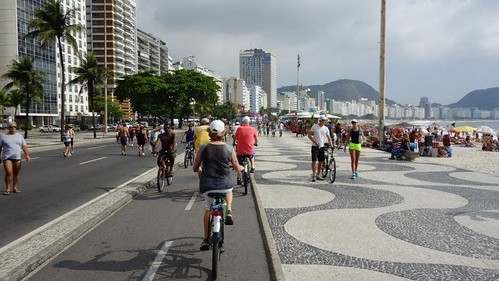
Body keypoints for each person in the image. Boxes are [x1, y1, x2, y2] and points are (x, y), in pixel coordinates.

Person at [192, 120, 243, 251]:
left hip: (208, 184)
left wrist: (201, 170)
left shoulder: (203, 148)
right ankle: (229, 209)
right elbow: (237, 167)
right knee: (229, 191)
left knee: (208, 208)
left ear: (209, 133)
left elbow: (195, 168)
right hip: (225, 184)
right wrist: (241, 168)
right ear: (223, 133)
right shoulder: (228, 148)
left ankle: (205, 239)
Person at [0, 122, 31, 195]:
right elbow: (0, 147)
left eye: (14, 127)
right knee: (8, 172)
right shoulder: (3, 136)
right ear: (8, 128)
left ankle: (15, 187)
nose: (13, 128)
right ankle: (8, 188)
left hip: (17, 158)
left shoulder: (19, 136)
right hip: (7, 158)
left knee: (16, 173)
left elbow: (24, 146)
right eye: (11, 127)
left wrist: (27, 155)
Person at [233, 116, 258, 185]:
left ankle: (238, 177)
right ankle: (253, 167)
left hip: (240, 151)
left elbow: (235, 137)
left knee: (238, 163)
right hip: (250, 150)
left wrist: (234, 142)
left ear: (243, 122)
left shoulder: (239, 129)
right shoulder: (253, 129)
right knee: (252, 155)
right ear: (249, 122)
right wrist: (255, 143)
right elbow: (256, 138)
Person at [307, 116, 333, 182]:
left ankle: (318, 174)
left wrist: (331, 145)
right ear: (320, 120)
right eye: (325, 120)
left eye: (326, 120)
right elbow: (309, 135)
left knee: (321, 161)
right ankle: (314, 175)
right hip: (315, 146)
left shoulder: (326, 128)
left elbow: (329, 137)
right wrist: (315, 142)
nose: (326, 121)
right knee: (314, 161)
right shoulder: (314, 127)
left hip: (322, 146)